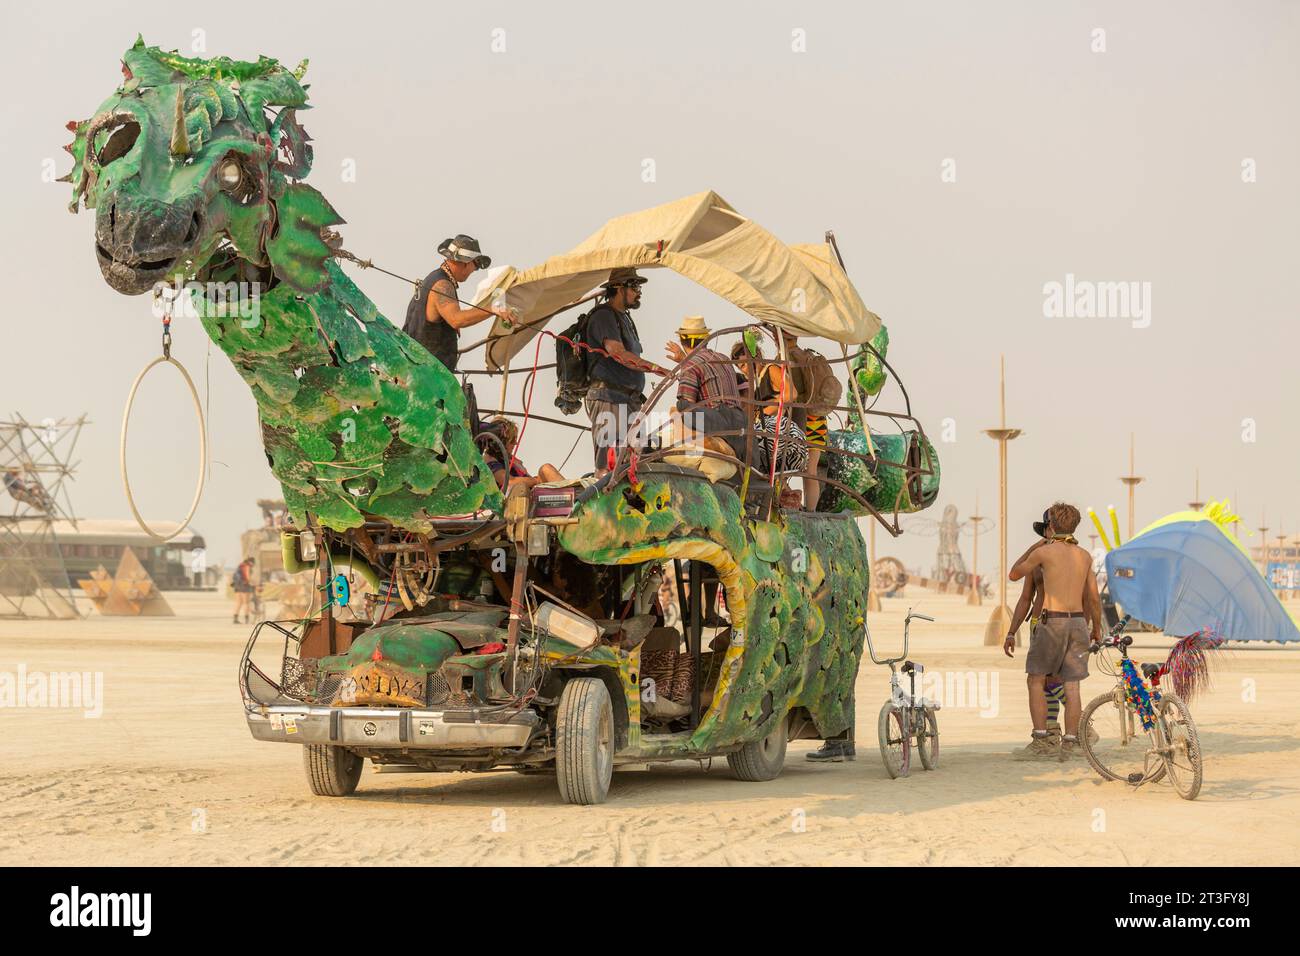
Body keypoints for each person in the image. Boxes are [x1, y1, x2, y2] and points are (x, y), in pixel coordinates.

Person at [1008, 502, 1104, 760]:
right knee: (1071, 686)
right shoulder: (1084, 555)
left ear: (1050, 525)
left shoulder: (1044, 553)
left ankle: (1041, 739)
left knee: (1036, 680)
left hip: (1052, 622)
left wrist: (1036, 547)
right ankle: (1071, 741)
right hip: (1078, 623)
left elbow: (1014, 573)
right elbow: (1094, 598)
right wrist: (1096, 628)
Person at [1004, 510, 1068, 756]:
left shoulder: (1074, 557)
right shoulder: (1037, 560)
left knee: (1049, 681)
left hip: (1060, 623)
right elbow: (1023, 595)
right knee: (1045, 685)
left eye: (1049, 528)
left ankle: (1081, 725)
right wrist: (1011, 632)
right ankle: (1052, 733)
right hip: (1037, 623)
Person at [401, 234, 514, 372]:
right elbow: (456, 319)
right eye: (476, 265)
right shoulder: (442, 285)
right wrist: (493, 309)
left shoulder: (433, 279)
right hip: (427, 376)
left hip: (415, 368)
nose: (474, 270)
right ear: (466, 262)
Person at [585, 268, 657, 474]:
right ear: (618, 288)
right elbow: (618, 353)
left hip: (629, 400)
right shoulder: (603, 316)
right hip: (609, 398)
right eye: (634, 287)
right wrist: (653, 367)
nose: (639, 292)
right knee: (608, 465)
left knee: (636, 463)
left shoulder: (624, 318)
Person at [663, 316, 745, 458]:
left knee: (680, 407)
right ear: (706, 339)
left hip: (718, 422)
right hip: (739, 422)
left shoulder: (691, 365)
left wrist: (685, 364)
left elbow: (686, 404)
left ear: (683, 341)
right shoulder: (724, 358)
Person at [479, 415, 563, 492]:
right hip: (515, 500)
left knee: (546, 470)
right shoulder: (489, 461)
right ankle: (573, 497)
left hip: (528, 493)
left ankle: (572, 494)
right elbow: (509, 482)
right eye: (512, 440)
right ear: (500, 442)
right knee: (545, 469)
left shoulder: (509, 459)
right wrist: (536, 481)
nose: (515, 443)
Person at [231, 557, 255, 625]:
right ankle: (247, 619)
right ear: (251, 562)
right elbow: (248, 578)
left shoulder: (240, 565)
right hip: (244, 586)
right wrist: (252, 583)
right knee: (246, 603)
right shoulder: (247, 567)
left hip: (237, 586)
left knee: (238, 603)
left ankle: (235, 618)